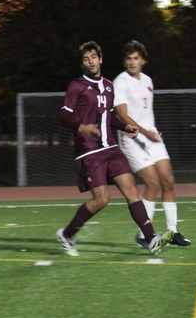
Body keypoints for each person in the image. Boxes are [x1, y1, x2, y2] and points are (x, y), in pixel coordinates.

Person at [56, 41, 173, 257]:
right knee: (101, 199)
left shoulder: (109, 86)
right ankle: (67, 234)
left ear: (100, 59)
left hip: (111, 147)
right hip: (89, 151)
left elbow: (109, 116)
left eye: (93, 57)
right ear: (82, 64)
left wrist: (125, 125)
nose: (90, 61)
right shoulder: (77, 85)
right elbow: (64, 115)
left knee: (131, 189)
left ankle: (150, 238)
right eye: (85, 58)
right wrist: (81, 126)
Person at [113, 40, 191, 247]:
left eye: (136, 58)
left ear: (143, 60)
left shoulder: (148, 80)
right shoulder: (120, 82)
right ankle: (143, 234)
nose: (132, 62)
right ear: (124, 61)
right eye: (129, 58)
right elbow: (121, 115)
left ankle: (172, 232)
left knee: (168, 181)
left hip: (151, 137)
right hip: (131, 139)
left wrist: (150, 133)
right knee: (153, 182)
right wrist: (145, 133)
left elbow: (146, 113)